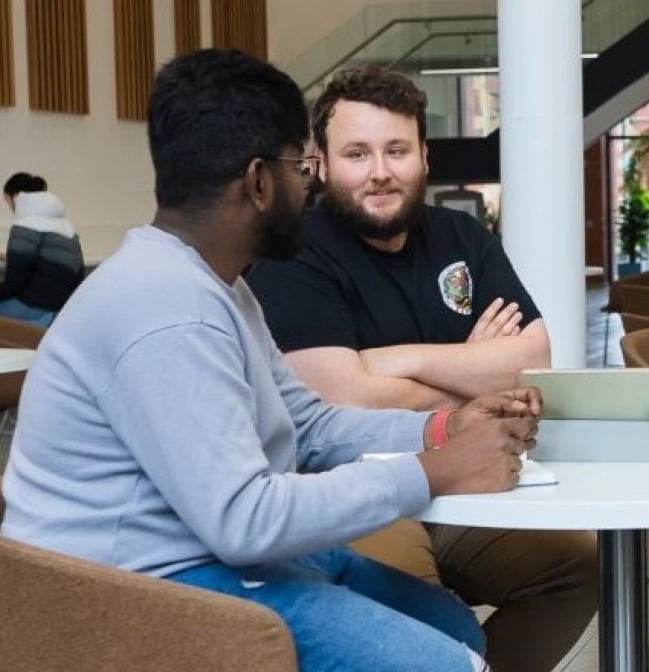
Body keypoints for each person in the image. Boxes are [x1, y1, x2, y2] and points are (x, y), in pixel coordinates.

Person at [0, 49, 545, 672]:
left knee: (451, 626)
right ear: (259, 182)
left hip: (200, 554)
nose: (307, 182)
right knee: (449, 663)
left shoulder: (216, 285)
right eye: (299, 166)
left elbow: (307, 425)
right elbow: (246, 519)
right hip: (129, 593)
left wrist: (445, 427)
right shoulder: (167, 307)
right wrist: (434, 469)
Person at [246, 64, 597, 672]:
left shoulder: (463, 237)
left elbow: (533, 362)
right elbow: (341, 402)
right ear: (321, 164)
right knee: (411, 599)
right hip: (351, 490)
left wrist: (390, 361)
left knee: (576, 567)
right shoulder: (294, 252)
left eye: (396, 150)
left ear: (424, 157)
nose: (380, 171)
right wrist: (473, 371)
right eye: (357, 153)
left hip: (467, 473)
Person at [0, 172, 84, 326]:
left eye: (6, 200)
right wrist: (11, 258)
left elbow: (14, 283)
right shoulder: (62, 224)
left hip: (37, 308)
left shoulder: (26, 225)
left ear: (14, 197)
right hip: (61, 307)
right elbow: (50, 262)